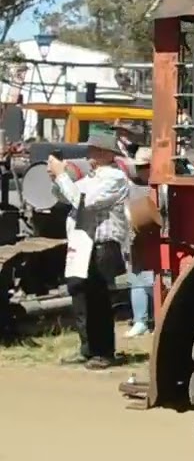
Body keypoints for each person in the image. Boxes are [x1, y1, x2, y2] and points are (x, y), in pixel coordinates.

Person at [49, 133, 131, 369]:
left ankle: (104, 352)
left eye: (94, 150)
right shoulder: (94, 177)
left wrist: (62, 175)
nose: (89, 155)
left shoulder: (114, 177)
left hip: (103, 244)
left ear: (106, 154)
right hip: (84, 243)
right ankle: (88, 348)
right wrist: (57, 179)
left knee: (100, 298)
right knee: (81, 294)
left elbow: (82, 200)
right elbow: (66, 195)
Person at [124, 147, 154, 337]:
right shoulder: (130, 188)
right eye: (139, 167)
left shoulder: (163, 186)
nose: (141, 170)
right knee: (136, 278)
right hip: (137, 237)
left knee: (154, 281)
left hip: (159, 238)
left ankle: (156, 320)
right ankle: (140, 320)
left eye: (146, 166)